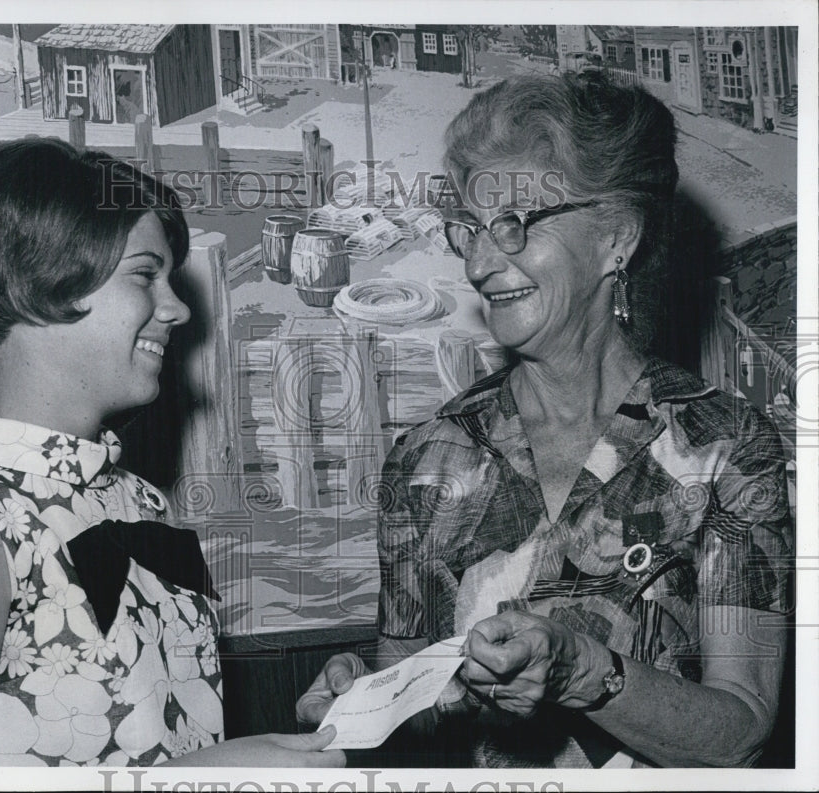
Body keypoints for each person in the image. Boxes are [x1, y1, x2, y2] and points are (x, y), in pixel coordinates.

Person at [297, 73, 793, 768]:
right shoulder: (429, 458)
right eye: (469, 228)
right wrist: (363, 704)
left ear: (616, 238)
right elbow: (417, 717)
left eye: (514, 225)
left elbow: (741, 731)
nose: (476, 261)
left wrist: (585, 672)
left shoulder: (726, 449)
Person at [0, 138, 344, 768]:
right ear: (33, 283)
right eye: (145, 274)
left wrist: (300, 736)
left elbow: (153, 743)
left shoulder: (142, 502)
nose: (177, 308)